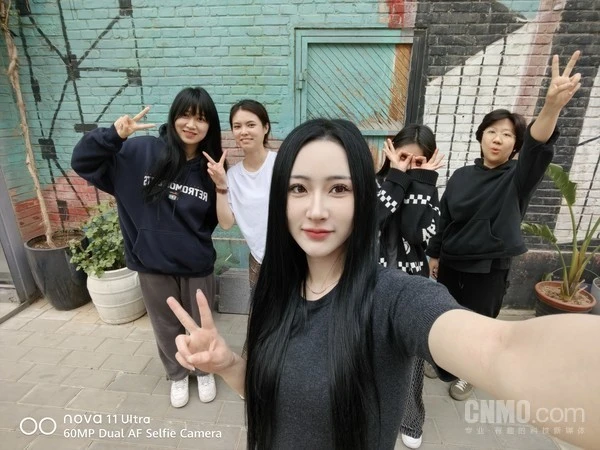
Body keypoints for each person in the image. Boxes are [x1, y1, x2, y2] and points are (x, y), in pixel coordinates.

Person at [168, 53, 600, 450]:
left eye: (338, 188)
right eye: (299, 188)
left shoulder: (393, 299)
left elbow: (503, 349)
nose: (316, 210)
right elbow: (271, 399)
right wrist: (227, 364)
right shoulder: (274, 289)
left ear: (362, 198)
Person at [427, 50, 582, 402]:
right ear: (481, 136)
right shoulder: (461, 175)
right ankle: (446, 361)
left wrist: (551, 107)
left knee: (480, 323)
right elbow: (445, 217)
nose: (497, 139)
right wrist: (434, 255)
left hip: (488, 267)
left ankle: (470, 373)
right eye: (492, 132)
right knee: (447, 315)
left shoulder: (517, 177)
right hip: (452, 261)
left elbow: (538, 146)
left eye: (507, 135)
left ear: (516, 145)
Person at [71, 87, 224, 408]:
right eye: (186, 115)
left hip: (196, 265)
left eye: (201, 118)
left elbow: (212, 221)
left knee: (200, 323)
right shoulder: (139, 152)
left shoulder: (210, 169)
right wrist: (113, 136)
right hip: (152, 263)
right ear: (174, 116)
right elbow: (82, 162)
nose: (192, 124)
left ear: (210, 126)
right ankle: (178, 375)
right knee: (166, 325)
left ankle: (203, 370)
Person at [376, 124, 443, 449]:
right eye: (403, 157)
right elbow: (373, 219)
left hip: (410, 284)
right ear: (390, 151)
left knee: (412, 358)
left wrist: (421, 182)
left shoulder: (429, 193)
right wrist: (397, 178)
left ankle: (411, 418)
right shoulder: (375, 185)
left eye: (419, 161)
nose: (409, 164)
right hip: (372, 282)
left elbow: (414, 233)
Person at [204, 99, 275, 291]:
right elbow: (226, 224)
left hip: (291, 258)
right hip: (258, 261)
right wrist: (221, 185)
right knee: (260, 310)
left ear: (265, 127)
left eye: (251, 125)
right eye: (237, 126)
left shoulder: (281, 165)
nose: (243, 131)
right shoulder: (233, 176)